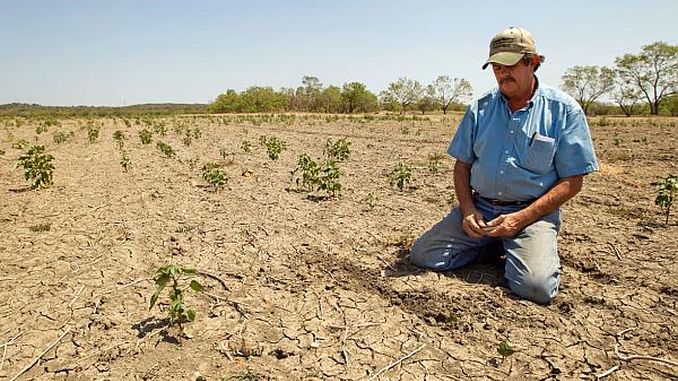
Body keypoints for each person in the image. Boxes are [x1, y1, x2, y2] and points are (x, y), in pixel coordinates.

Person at [410, 27, 598, 304]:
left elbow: (573, 181)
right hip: (482, 209)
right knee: (424, 255)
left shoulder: (563, 110)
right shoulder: (480, 108)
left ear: (532, 62)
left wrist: (519, 220)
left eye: (509, 65)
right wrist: (468, 209)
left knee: (536, 288)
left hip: (531, 215)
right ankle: (491, 243)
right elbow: (462, 166)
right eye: (496, 67)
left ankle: (517, 246)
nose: (502, 73)